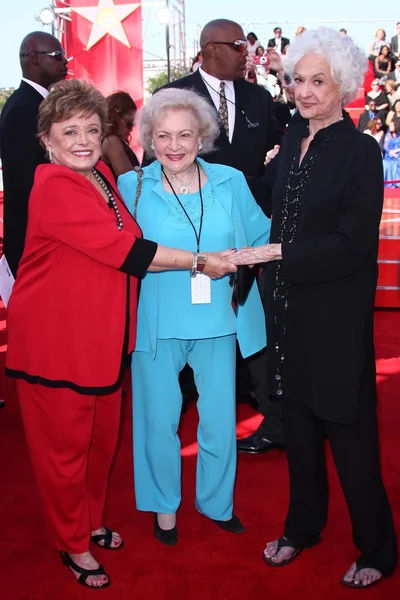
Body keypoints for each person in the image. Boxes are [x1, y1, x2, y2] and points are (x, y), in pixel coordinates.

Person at [5, 79, 235, 588]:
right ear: (47, 138)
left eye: (92, 128)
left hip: (102, 345)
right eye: (70, 131)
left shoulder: (103, 175)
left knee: (98, 447)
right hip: (56, 347)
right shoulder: (54, 185)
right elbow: (129, 253)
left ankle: (88, 523)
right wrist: (200, 260)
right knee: (65, 455)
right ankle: (72, 544)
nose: (84, 140)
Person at [232, 27, 398, 589]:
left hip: (335, 318)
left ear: (343, 85)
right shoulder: (292, 140)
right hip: (285, 312)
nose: (303, 91)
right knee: (297, 433)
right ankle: (303, 527)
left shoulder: (360, 151)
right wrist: (192, 174)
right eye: (297, 79)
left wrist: (275, 252)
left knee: (350, 440)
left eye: (317, 81)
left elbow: (353, 246)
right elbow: (258, 194)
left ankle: (378, 546)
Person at [118, 87, 271, 545]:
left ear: (202, 135)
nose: (174, 145)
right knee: (158, 419)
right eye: (162, 135)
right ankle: (164, 507)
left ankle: (216, 502)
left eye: (185, 134)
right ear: (148, 137)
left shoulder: (230, 180)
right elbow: (120, 253)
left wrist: (252, 260)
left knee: (220, 418)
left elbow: (261, 234)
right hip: (156, 320)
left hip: (219, 316)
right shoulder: (132, 186)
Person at [155, 18, 285, 455]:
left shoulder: (259, 97)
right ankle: (178, 406)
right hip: (189, 234)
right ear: (211, 48)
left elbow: (276, 153)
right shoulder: (174, 95)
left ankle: (268, 408)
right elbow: (155, 167)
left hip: (248, 225)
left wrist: (260, 199)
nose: (246, 53)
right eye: (236, 46)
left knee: (254, 316)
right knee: (195, 319)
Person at [0, 31, 68, 276]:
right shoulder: (24, 109)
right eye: (57, 55)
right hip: (35, 242)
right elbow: (26, 184)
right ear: (33, 58)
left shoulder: (35, 105)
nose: (65, 61)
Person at [101, 91, 139, 180]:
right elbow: (130, 182)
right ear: (116, 117)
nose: (131, 128)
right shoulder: (112, 141)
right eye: (129, 123)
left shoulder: (111, 140)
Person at [383, 120, 400, 186]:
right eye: (390, 125)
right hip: (389, 154)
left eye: (392, 125)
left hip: (398, 154)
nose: (390, 127)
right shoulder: (387, 135)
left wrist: (396, 151)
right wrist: (390, 151)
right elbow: (385, 145)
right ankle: (389, 182)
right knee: (386, 163)